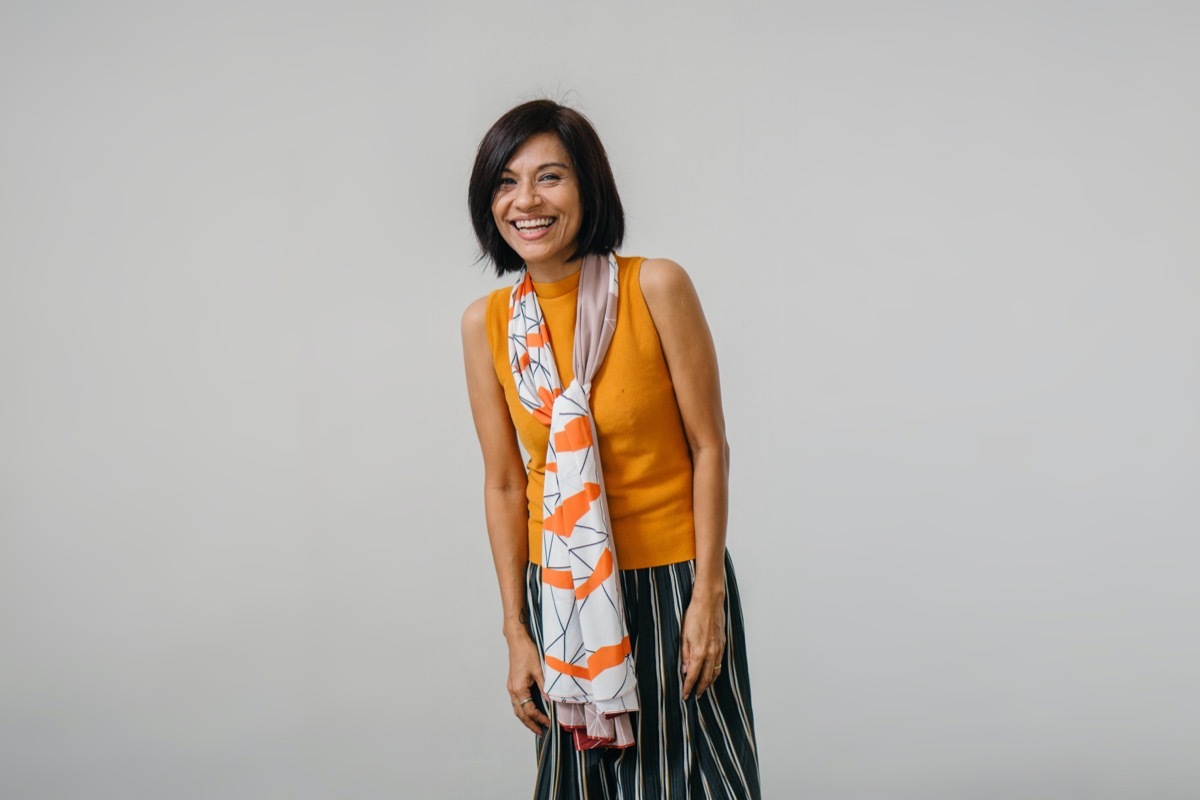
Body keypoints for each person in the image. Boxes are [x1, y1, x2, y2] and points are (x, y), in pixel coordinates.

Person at [461, 99, 761, 799]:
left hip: (671, 584)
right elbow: (506, 484)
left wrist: (708, 595)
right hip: (559, 596)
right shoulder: (488, 326)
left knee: (693, 781)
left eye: (550, 177)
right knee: (580, 787)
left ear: (589, 187)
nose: (526, 201)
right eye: (506, 182)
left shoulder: (654, 286)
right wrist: (515, 630)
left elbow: (708, 446)